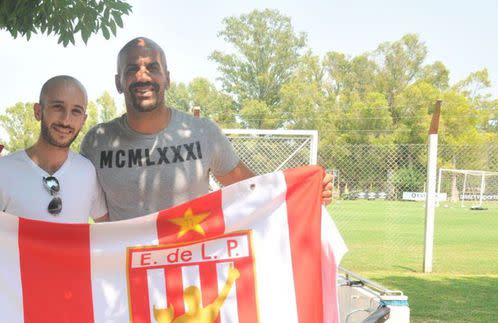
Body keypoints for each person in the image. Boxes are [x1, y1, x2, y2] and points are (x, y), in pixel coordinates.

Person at [78, 36, 333, 220]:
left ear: (167, 78)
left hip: (190, 279)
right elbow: (88, 209)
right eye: (132, 69)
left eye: (152, 68)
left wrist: (305, 191)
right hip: (125, 280)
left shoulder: (202, 132)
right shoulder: (97, 142)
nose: (142, 76)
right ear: (118, 82)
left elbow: (251, 187)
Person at [0, 75, 107, 233]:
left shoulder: (87, 171)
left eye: (76, 111)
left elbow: (110, 232)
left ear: (83, 120)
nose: (66, 120)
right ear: (38, 111)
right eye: (58, 107)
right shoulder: (1, 171)